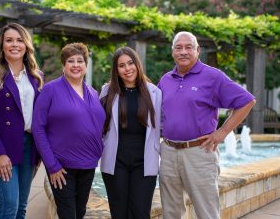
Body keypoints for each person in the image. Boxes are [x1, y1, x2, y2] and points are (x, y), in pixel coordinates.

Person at [158, 31, 256, 219]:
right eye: (178, 47)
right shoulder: (165, 80)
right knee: (170, 213)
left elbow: (247, 101)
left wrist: (222, 132)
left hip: (199, 152)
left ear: (198, 50)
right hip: (168, 152)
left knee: (206, 213)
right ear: (172, 52)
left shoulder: (213, 76)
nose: (183, 51)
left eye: (189, 47)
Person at [0, 23, 43, 219]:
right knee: (9, 207)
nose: (15, 44)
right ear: (1, 45)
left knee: (21, 207)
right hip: (3, 147)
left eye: (20, 40)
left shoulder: (36, 77)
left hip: (30, 147)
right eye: (9, 40)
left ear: (26, 45)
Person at [32, 42, 105, 219]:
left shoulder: (93, 93)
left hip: (88, 165)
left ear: (86, 66)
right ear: (64, 65)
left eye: (80, 61)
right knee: (68, 214)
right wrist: (52, 165)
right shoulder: (50, 90)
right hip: (62, 167)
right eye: (70, 61)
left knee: (80, 212)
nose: (75, 65)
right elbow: (38, 128)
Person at [100, 46, 162, 218]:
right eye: (121, 65)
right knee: (118, 212)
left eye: (130, 63)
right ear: (116, 70)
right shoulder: (107, 91)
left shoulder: (155, 93)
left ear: (137, 64)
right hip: (115, 161)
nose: (127, 69)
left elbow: (165, 123)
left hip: (144, 161)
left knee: (141, 212)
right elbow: (97, 125)